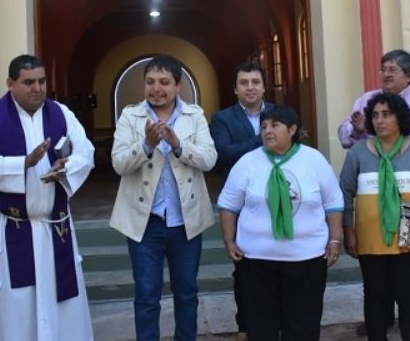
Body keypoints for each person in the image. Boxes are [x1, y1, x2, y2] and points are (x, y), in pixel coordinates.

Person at [0, 54, 96, 340]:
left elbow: (85, 152)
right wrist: (22, 164)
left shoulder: (61, 113)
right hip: (13, 228)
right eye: (28, 83)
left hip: (54, 226)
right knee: (18, 305)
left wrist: (66, 167)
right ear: (10, 83)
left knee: (62, 304)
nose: (37, 88)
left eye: (41, 81)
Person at [110, 55, 217, 341]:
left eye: (164, 82)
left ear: (178, 85)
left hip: (186, 220)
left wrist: (177, 144)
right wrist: (146, 144)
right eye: (150, 82)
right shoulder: (130, 116)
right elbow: (118, 164)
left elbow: (209, 159)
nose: (157, 88)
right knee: (146, 295)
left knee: (186, 292)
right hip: (145, 222)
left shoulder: (194, 115)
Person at [338, 49, 410, 335]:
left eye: (393, 69)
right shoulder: (363, 131)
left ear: (408, 75)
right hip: (371, 228)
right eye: (383, 68)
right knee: (375, 291)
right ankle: (379, 322)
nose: (386, 73)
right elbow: (345, 134)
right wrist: (360, 129)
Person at [218, 104, 343, 340]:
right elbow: (228, 204)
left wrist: (335, 239)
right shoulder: (248, 162)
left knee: (303, 326)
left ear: (293, 129)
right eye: (264, 126)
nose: (267, 131)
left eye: (275, 125)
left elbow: (334, 203)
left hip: (306, 261)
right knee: (260, 326)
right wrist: (228, 239)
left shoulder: (313, 160)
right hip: (256, 261)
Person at [210, 61, 271, 339]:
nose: (250, 87)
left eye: (255, 82)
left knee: (276, 266)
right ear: (235, 89)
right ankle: (246, 325)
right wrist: (263, 139)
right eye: (244, 83)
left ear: (263, 86)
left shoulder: (280, 114)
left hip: (276, 200)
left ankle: (276, 321)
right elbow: (223, 153)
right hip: (241, 204)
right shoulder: (222, 119)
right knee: (245, 270)